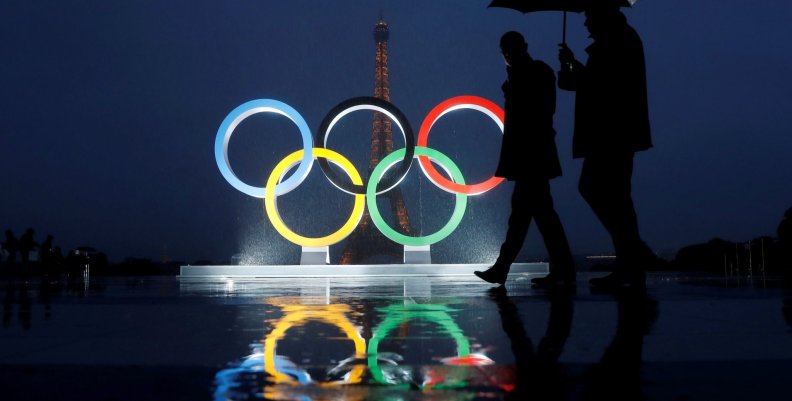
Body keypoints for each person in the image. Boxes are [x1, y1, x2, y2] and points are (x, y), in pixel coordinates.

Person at [557, 4, 656, 289]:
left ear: (601, 16)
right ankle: (630, 259)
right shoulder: (620, 38)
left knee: (600, 190)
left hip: (612, 132)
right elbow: (595, 81)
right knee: (615, 194)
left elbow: (599, 84)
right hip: (616, 132)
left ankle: (631, 256)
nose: (585, 23)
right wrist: (573, 63)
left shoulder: (617, 40)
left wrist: (573, 66)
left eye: (588, 16)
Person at [475, 31, 576, 288]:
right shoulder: (530, 73)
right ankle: (560, 268)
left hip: (533, 155)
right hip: (533, 155)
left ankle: (504, 267)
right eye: (505, 52)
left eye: (510, 51)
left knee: (527, 215)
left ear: (523, 48)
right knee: (538, 215)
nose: (508, 56)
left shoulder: (536, 73)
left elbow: (541, 111)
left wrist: (514, 88)